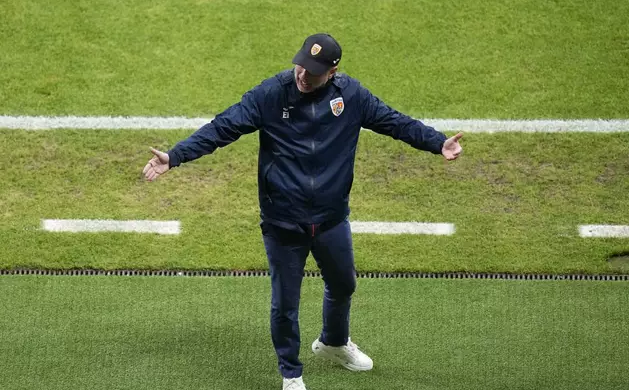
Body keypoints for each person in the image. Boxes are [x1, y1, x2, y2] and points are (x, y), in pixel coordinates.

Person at [142, 33, 463, 390]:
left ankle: (334, 343)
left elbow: (395, 122)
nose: (302, 74)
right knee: (285, 305)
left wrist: (437, 142)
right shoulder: (271, 93)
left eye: (312, 71)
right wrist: (176, 156)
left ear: (333, 70)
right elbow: (223, 127)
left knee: (343, 284)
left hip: (331, 217)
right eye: (301, 65)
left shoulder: (351, 96)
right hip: (283, 221)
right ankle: (291, 374)